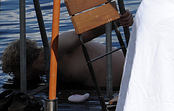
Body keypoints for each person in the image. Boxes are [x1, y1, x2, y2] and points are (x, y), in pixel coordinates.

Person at [1, 11, 133, 92]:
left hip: (130, 73)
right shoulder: (50, 72)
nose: (15, 76)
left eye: (14, 71)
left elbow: (87, 33)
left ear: (22, 64)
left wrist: (117, 21)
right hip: (115, 87)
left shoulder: (54, 49)